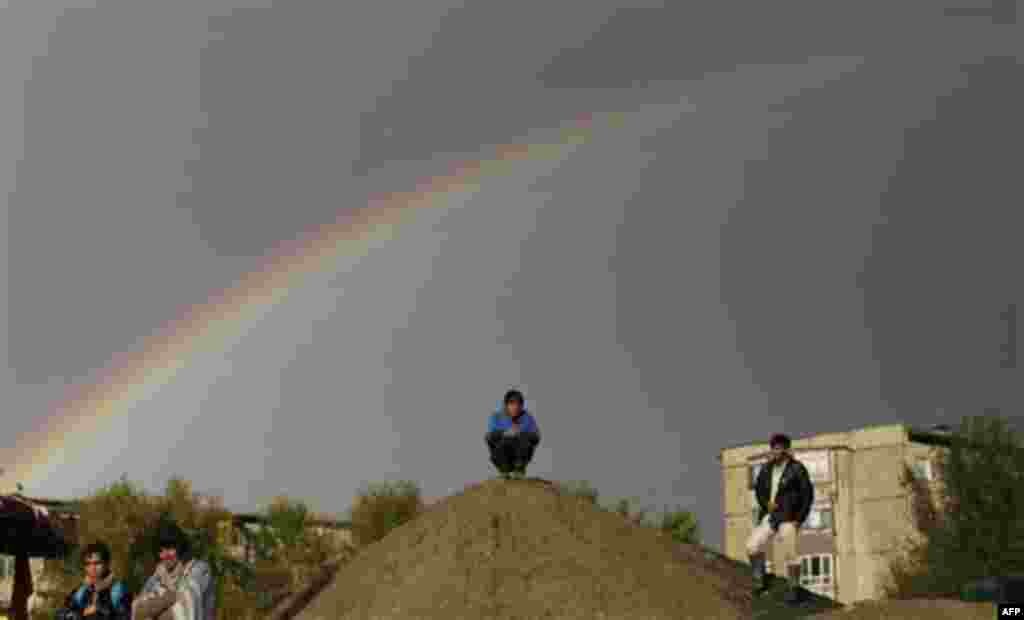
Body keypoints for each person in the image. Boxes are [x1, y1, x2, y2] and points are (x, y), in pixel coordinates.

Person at [746, 433, 814, 603]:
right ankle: (758, 581)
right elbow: (759, 489)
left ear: (786, 449)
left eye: (778, 448)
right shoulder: (766, 468)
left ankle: (793, 589)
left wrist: (799, 518)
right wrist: (765, 503)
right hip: (771, 516)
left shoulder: (797, 468)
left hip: (789, 517)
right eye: (773, 448)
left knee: (791, 553)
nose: (775, 451)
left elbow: (807, 494)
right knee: (752, 546)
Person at [131, 520, 215, 620]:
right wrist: (170, 597)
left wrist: (168, 585)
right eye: (160, 551)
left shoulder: (200, 570)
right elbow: (138, 609)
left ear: (180, 546)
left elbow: (186, 610)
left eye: (169, 548)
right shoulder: (157, 576)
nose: (165, 555)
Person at [56, 542, 132, 620]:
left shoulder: (118, 591)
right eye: (88, 564)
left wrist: (99, 611)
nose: (92, 568)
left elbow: (126, 616)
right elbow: (61, 615)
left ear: (107, 564)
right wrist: (83, 613)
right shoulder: (81, 591)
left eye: (97, 563)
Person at [485, 389, 541, 479]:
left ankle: (519, 470)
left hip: (520, 453)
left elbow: (536, 436)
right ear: (506, 405)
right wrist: (505, 433)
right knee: (495, 438)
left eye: (519, 404)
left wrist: (520, 433)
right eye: (512, 404)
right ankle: (504, 471)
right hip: (502, 452)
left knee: (525, 438)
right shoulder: (497, 417)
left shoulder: (527, 418)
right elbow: (490, 436)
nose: (516, 407)